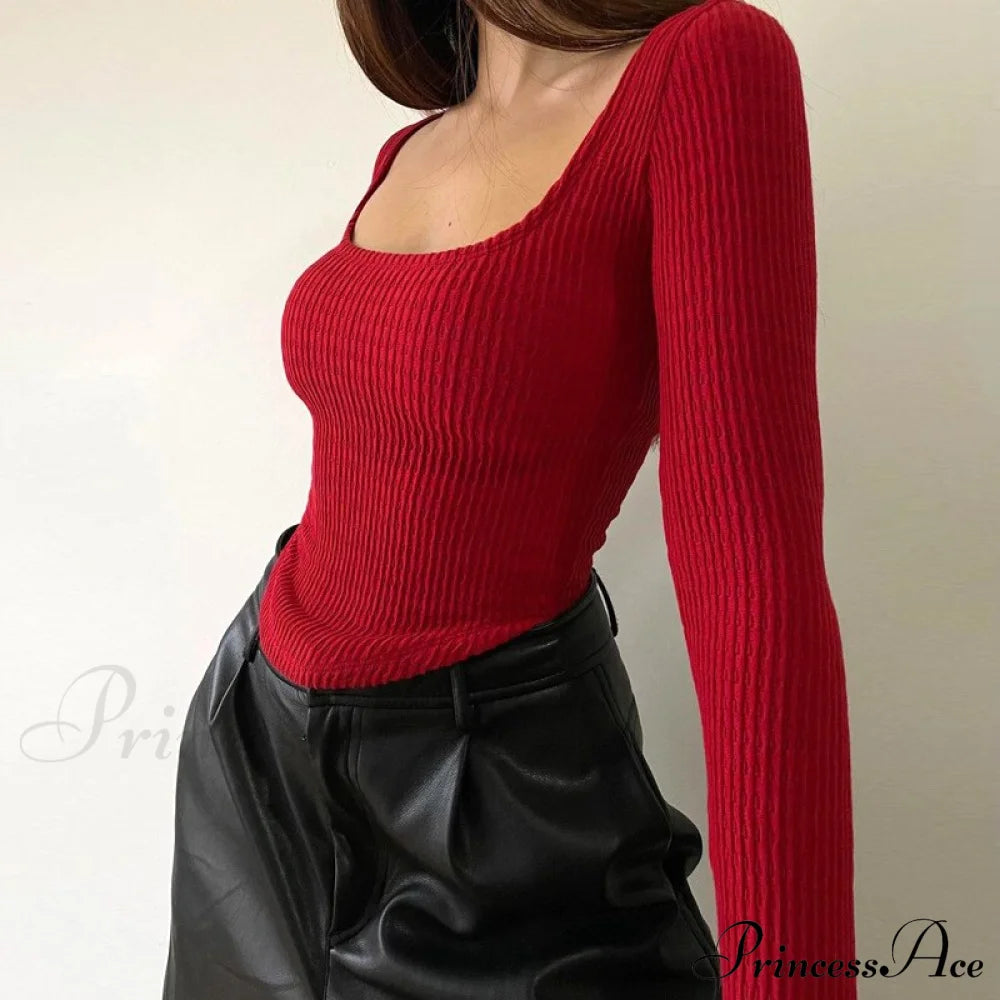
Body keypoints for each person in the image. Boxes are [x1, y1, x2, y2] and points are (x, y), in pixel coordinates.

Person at [161, 0, 857, 997]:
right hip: (254, 764)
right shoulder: (413, 146)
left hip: (495, 806)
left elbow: (755, 577)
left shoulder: (703, 64)